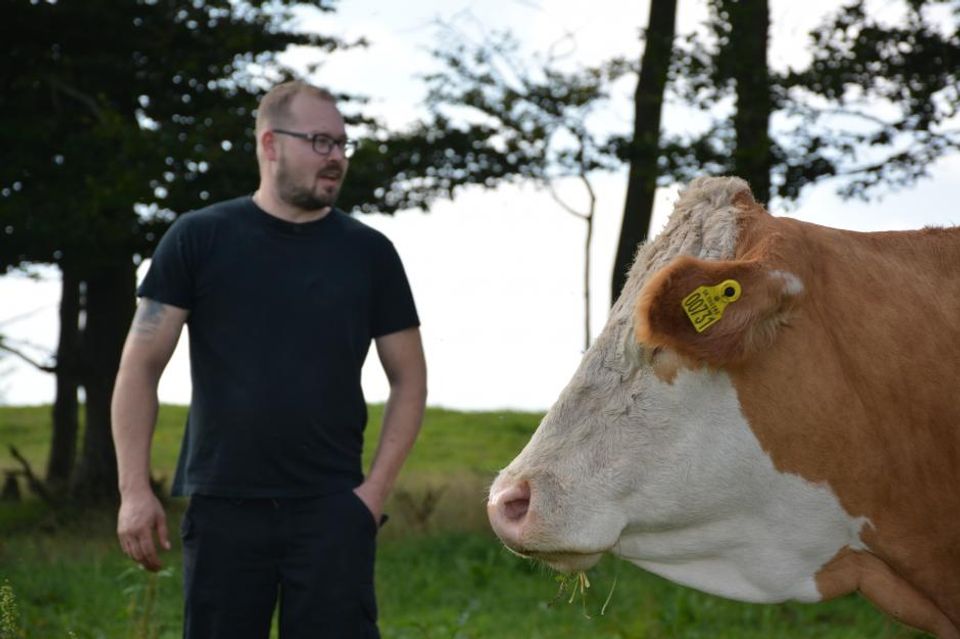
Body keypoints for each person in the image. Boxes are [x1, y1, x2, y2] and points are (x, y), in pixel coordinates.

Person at [111, 80, 427, 639]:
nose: (336, 157)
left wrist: (370, 496)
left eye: (342, 144)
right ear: (270, 143)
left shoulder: (369, 253)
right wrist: (134, 491)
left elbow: (410, 380)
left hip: (333, 510)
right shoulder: (198, 238)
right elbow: (140, 367)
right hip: (222, 508)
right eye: (320, 142)